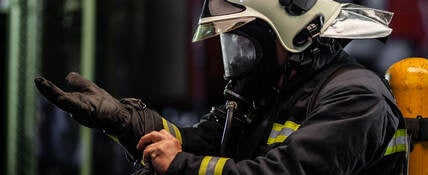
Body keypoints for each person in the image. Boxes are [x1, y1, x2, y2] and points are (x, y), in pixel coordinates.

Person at [35, 0, 408, 174]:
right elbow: (200, 142)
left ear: (294, 36)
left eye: (245, 43)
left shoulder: (357, 97)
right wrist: (124, 121)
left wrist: (180, 167)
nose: (238, 59)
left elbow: (285, 173)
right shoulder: (275, 92)